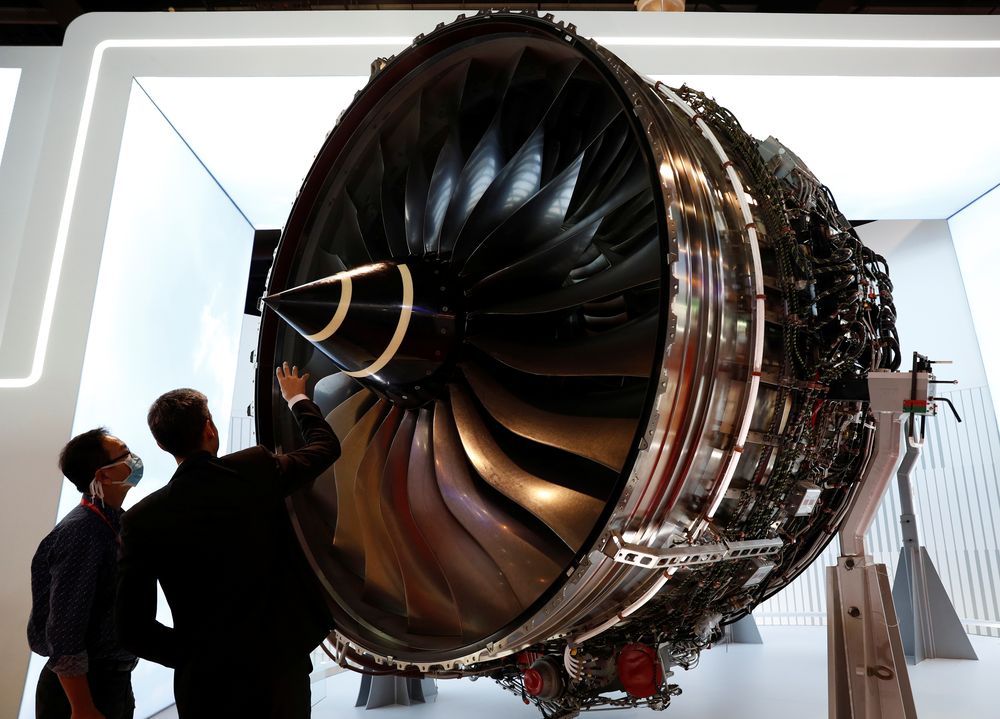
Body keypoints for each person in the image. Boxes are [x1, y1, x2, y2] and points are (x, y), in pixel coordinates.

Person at [116, 363, 340, 718]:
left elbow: (132, 628)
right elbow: (326, 448)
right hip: (278, 669)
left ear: (160, 445)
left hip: (206, 686)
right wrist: (296, 396)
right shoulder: (254, 469)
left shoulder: (141, 519)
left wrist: (195, 656)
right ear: (209, 427)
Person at [28, 428, 143, 719]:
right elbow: (65, 629)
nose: (134, 460)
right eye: (125, 454)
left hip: (112, 681)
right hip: (83, 692)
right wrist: (81, 707)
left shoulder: (115, 520)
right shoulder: (82, 532)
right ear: (102, 475)